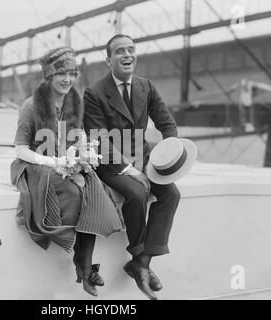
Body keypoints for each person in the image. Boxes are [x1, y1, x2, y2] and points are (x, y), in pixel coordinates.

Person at [11, 47, 123, 297]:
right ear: (49, 76)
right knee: (74, 193)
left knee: (93, 190)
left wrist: (83, 155)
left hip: (66, 160)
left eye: (72, 73)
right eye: (61, 73)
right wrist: (54, 163)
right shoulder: (31, 106)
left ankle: (84, 266)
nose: (67, 79)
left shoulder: (75, 102)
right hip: (36, 164)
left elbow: (79, 136)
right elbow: (20, 150)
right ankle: (84, 267)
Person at [83, 34, 181, 300]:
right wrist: (130, 169)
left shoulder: (145, 86)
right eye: (119, 51)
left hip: (143, 158)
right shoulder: (93, 93)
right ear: (108, 60)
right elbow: (99, 140)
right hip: (110, 162)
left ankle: (143, 261)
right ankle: (138, 256)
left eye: (131, 50)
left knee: (171, 194)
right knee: (136, 193)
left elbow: (166, 123)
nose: (127, 55)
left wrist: (169, 154)